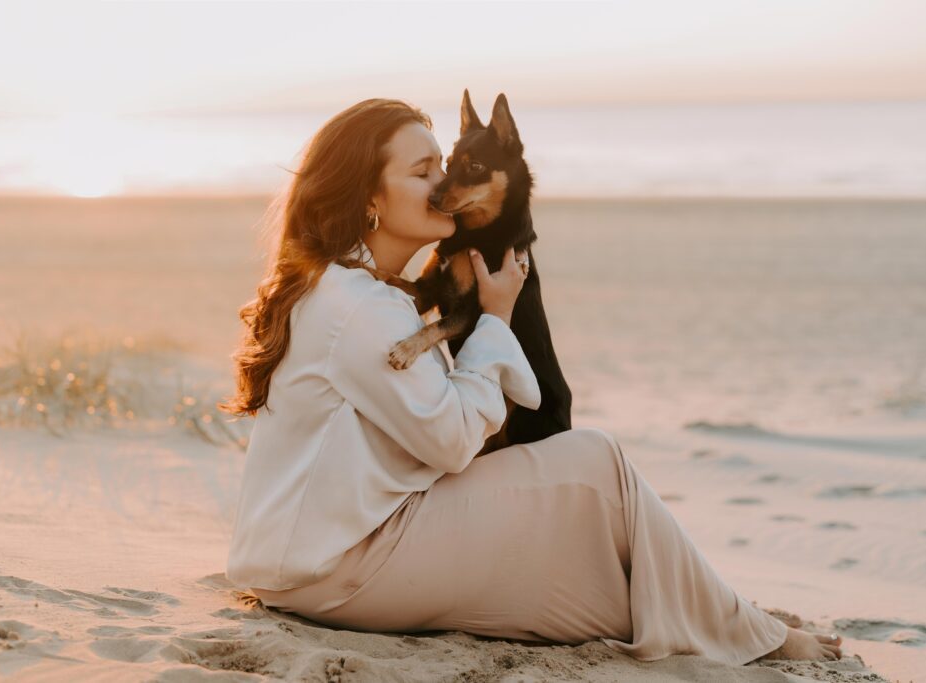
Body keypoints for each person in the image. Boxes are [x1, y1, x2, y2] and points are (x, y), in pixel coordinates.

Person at [219, 98, 842, 666]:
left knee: (598, 595)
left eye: (443, 164)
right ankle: (759, 636)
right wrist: (496, 317)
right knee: (598, 460)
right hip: (342, 565)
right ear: (368, 199)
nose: (444, 184)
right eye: (422, 171)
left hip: (304, 561)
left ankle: (721, 616)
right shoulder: (361, 308)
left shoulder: (343, 289)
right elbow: (453, 441)